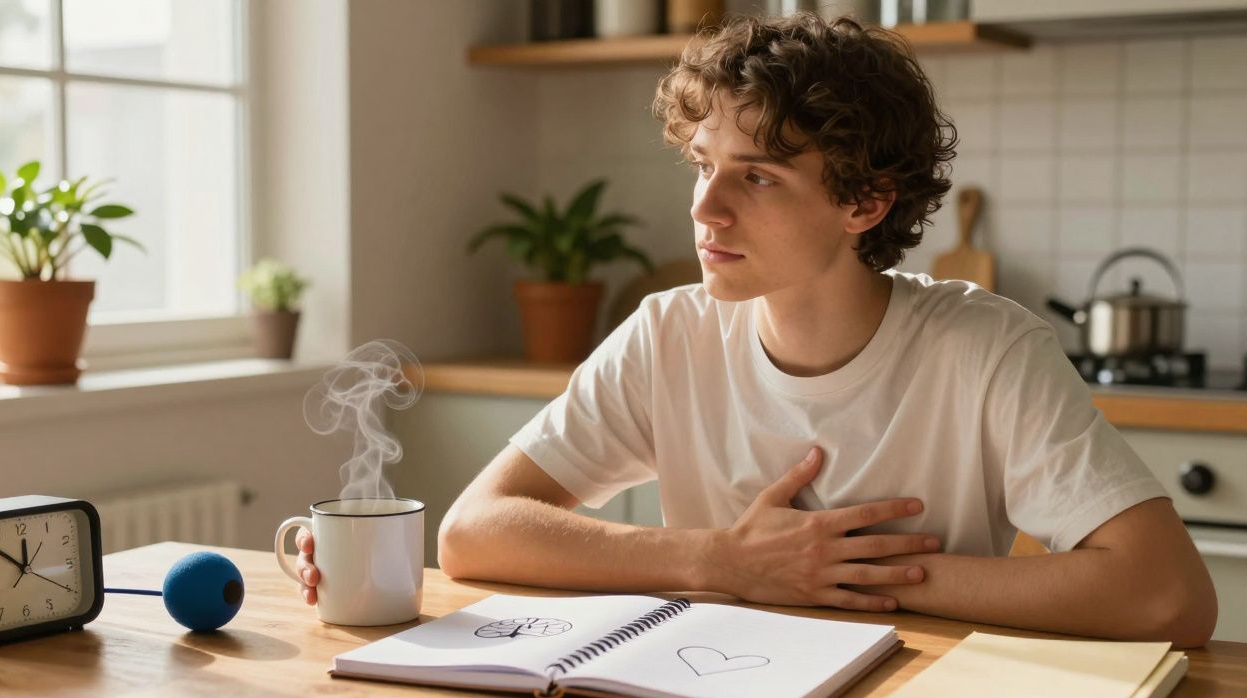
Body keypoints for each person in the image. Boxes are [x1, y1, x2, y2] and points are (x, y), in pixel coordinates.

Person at [296, 13, 1216, 646]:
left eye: (759, 176)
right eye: (703, 165)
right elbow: (474, 533)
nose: (706, 208)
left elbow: (1170, 593)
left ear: (864, 200)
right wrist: (725, 562)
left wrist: (832, 573)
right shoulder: (666, 335)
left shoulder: (988, 350)